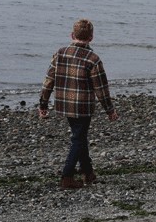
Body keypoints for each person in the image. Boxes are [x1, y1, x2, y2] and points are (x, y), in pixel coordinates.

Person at [39, 18, 119, 190]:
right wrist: (110, 110)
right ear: (91, 37)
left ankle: (88, 173)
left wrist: (43, 104)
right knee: (78, 139)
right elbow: (101, 89)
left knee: (80, 136)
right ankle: (66, 176)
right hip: (83, 106)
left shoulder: (60, 53)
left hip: (63, 104)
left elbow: (48, 81)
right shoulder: (93, 59)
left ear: (72, 35)